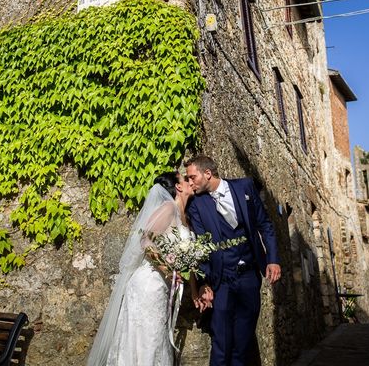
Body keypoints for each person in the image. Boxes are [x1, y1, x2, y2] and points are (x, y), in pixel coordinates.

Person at [87, 172, 194, 366]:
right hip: (149, 283)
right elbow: (145, 239)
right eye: (186, 180)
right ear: (178, 187)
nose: (190, 182)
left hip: (160, 284)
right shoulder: (168, 207)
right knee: (147, 336)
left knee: (153, 334)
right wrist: (166, 268)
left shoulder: (181, 213)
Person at [185, 155, 281, 366]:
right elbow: (201, 246)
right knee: (221, 342)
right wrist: (204, 283)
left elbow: (265, 225)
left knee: (243, 344)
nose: (189, 183)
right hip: (222, 281)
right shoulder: (196, 205)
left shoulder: (245, 187)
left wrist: (272, 259)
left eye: (192, 177)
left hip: (249, 277)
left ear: (207, 173)